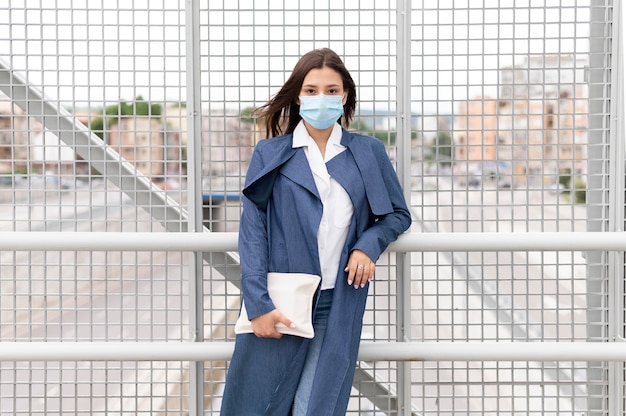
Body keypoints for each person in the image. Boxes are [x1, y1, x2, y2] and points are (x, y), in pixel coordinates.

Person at [220, 48, 411, 416]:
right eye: (310, 90)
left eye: (331, 89)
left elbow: (397, 215)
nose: (320, 98)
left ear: (345, 96)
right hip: (282, 300)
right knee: (258, 404)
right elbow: (253, 230)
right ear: (297, 96)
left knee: (315, 407)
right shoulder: (272, 153)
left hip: (337, 302)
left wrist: (367, 245)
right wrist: (258, 303)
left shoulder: (367, 152)